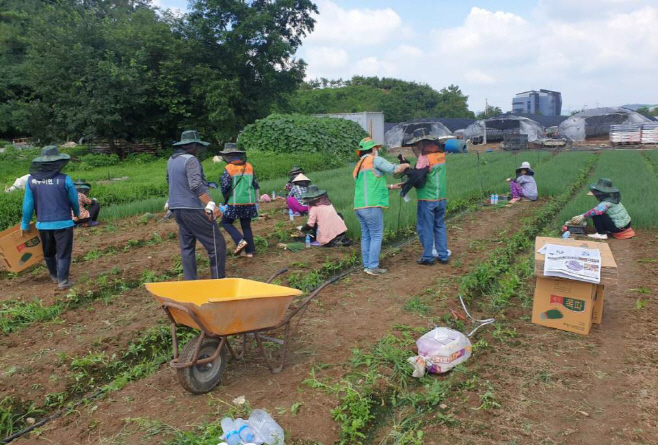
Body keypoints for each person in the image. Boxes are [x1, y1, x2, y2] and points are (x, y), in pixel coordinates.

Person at [166, 130, 226, 280]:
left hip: (177, 209)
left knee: (187, 247)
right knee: (216, 244)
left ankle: (190, 281)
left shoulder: (171, 160)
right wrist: (211, 204)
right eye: (197, 146)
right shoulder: (191, 160)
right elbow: (195, 185)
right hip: (193, 208)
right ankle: (219, 281)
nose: (198, 150)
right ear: (191, 146)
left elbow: (170, 181)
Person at [20, 146, 80, 289]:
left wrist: (25, 224)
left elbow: (28, 204)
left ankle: (54, 276)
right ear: (58, 163)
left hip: (43, 224)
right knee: (63, 252)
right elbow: (73, 200)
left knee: (49, 252)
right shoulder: (65, 179)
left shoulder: (31, 181)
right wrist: (77, 214)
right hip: (63, 224)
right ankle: (63, 281)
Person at [353, 137, 409, 275]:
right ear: (372, 149)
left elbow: (370, 184)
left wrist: (391, 186)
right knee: (376, 235)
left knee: (366, 236)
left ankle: (367, 265)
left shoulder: (359, 165)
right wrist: (406, 165)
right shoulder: (374, 160)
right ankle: (373, 267)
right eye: (376, 148)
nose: (377, 150)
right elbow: (394, 169)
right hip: (372, 206)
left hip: (359, 206)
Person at [404, 128, 450, 266]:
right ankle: (443, 255)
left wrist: (406, 171)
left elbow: (417, 177)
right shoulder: (441, 154)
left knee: (426, 227)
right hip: (441, 198)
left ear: (423, 143)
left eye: (418, 144)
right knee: (439, 226)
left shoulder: (424, 157)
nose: (417, 147)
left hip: (427, 199)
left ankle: (428, 257)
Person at [219, 143, 259, 258]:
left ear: (228, 156)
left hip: (235, 202)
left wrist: (225, 197)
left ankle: (240, 241)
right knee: (246, 225)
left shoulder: (229, 168)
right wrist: (257, 201)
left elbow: (225, 186)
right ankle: (250, 251)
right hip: (249, 201)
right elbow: (255, 184)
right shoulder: (249, 166)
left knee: (226, 222)